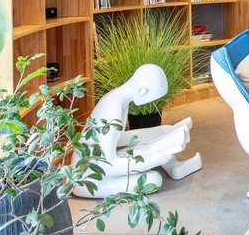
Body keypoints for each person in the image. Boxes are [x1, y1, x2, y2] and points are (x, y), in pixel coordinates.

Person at [72, 64, 202, 198]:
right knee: (153, 180)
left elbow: (116, 139)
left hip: (100, 165)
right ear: (142, 92)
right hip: (91, 181)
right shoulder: (113, 110)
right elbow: (107, 166)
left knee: (160, 138)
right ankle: (168, 162)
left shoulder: (117, 98)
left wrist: (161, 132)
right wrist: (155, 159)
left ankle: (175, 167)